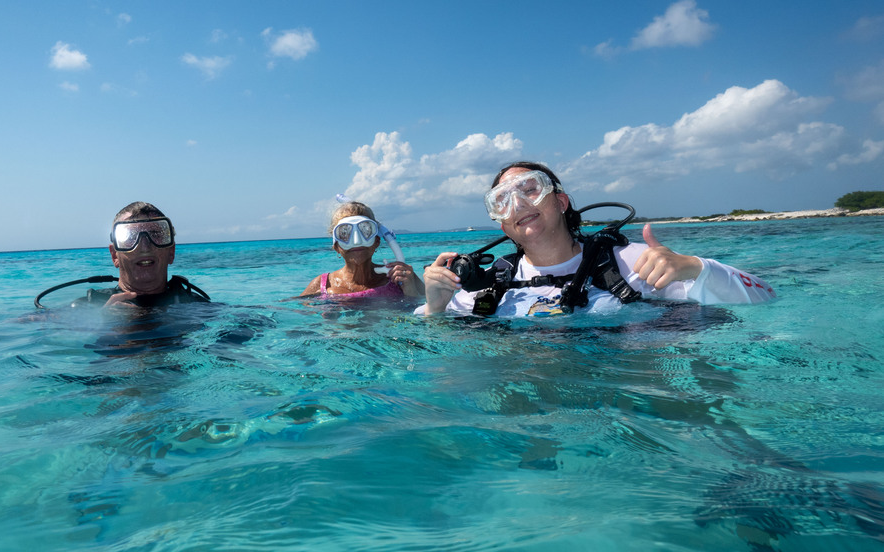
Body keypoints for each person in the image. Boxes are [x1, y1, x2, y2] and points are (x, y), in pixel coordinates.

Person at [419, 161, 776, 317]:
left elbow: (765, 296)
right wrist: (434, 307)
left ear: (561, 202)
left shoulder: (632, 264)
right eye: (503, 201)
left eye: (530, 189)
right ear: (503, 226)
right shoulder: (489, 286)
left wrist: (696, 268)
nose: (519, 205)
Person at [71, 201, 210, 308]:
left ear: (171, 252)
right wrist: (107, 324)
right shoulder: (82, 309)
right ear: (114, 256)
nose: (144, 247)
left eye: (155, 234)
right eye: (130, 236)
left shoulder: (200, 309)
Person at [300, 201, 425, 299]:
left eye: (365, 230)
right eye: (345, 233)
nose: (356, 241)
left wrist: (411, 291)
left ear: (376, 242)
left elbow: (429, 311)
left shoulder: (400, 277)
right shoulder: (323, 285)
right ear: (336, 247)